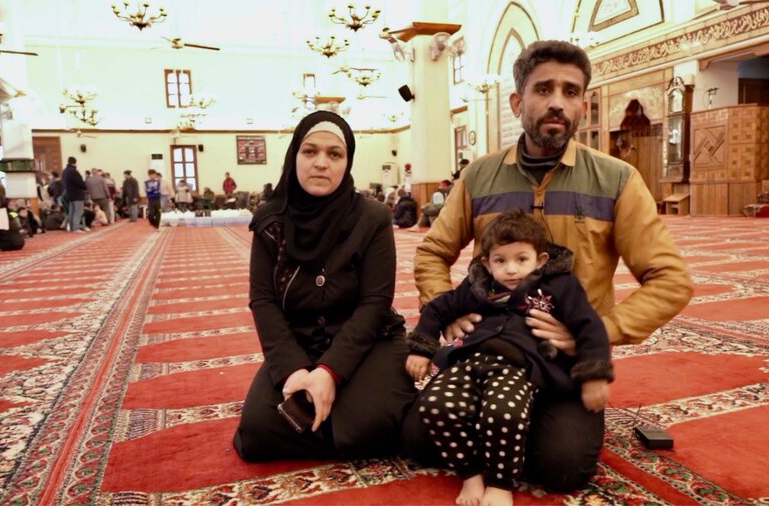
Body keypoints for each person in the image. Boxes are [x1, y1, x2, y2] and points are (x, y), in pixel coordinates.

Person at [404, 40, 693, 492]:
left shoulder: (616, 179)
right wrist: (450, 312)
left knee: (561, 468)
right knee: (418, 437)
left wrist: (598, 331)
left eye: (571, 91)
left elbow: (671, 280)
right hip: (489, 354)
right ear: (518, 102)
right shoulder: (480, 175)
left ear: (583, 104)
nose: (558, 102)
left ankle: (516, 434)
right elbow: (432, 253)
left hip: (561, 367)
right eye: (544, 89)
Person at [233, 110, 416, 462]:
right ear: (294, 157)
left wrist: (329, 372)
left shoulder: (372, 217)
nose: (321, 163)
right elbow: (263, 301)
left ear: (347, 162)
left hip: (367, 342)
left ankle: (348, 419)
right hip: (298, 344)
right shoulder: (270, 221)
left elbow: (375, 303)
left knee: (370, 424)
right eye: (310, 151)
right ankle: (338, 422)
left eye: (334, 154)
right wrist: (295, 371)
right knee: (258, 431)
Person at [406, 209, 613, 505]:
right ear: (487, 263)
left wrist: (594, 374)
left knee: (503, 413)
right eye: (501, 261)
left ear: (540, 260)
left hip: (516, 367)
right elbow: (439, 307)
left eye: (521, 260)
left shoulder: (560, 285)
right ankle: (471, 473)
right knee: (434, 408)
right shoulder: (478, 286)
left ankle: (500, 483)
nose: (511, 270)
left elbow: (589, 326)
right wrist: (421, 347)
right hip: (469, 360)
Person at [62, 156, 89, 232]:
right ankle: (76, 227)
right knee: (78, 211)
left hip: (69, 194)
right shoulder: (73, 171)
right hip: (77, 194)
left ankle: (71, 227)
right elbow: (79, 182)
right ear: (74, 163)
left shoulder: (65, 171)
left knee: (72, 211)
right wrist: (84, 186)